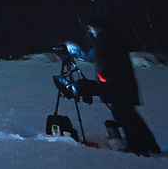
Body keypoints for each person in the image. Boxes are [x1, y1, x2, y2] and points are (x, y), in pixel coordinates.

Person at [66, 19, 161, 156]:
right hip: (121, 85)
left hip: (117, 86)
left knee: (125, 116)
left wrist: (103, 79)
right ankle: (149, 145)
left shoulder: (105, 40)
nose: (90, 31)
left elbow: (104, 62)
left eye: (91, 28)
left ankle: (139, 147)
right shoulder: (109, 38)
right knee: (130, 116)